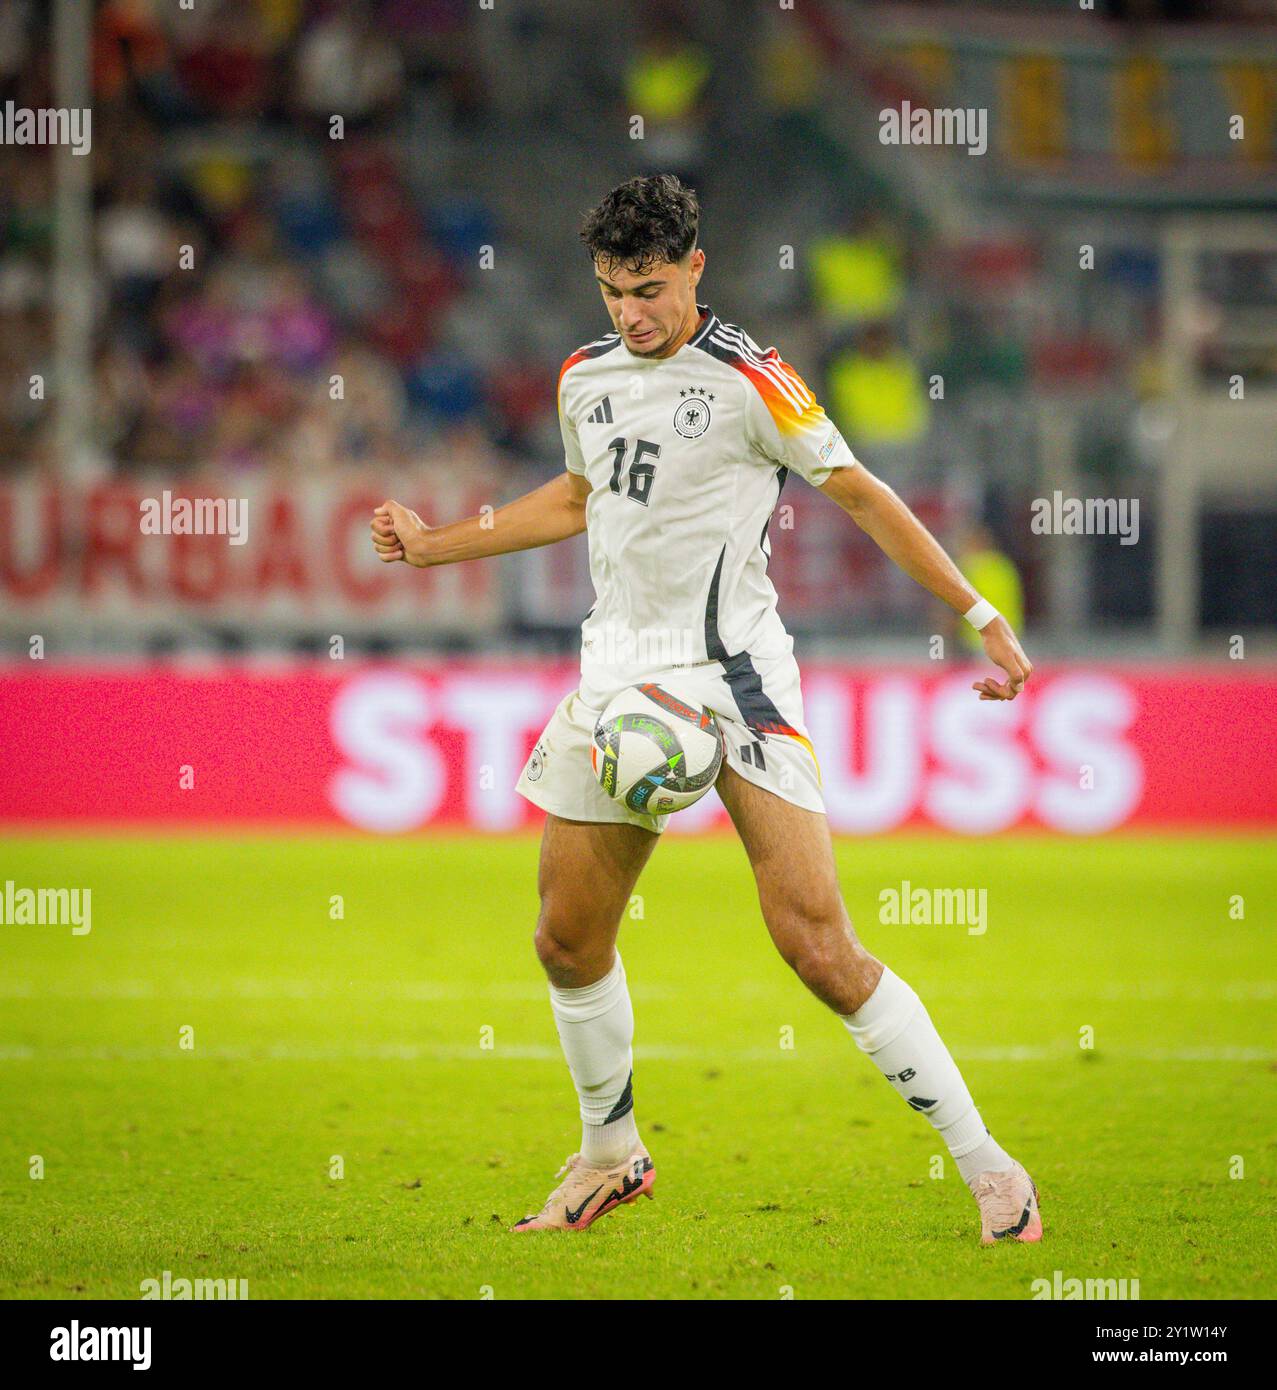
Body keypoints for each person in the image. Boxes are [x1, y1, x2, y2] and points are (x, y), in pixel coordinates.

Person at [370, 175, 1041, 1246]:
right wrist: (439, 542)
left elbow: (859, 490)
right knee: (562, 939)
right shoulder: (582, 377)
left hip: (733, 681)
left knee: (816, 947)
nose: (627, 314)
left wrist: (975, 612)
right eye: (607, 291)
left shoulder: (749, 380)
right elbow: (580, 495)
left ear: (692, 266)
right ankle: (608, 1152)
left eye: (644, 288)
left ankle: (989, 1167)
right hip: (617, 678)